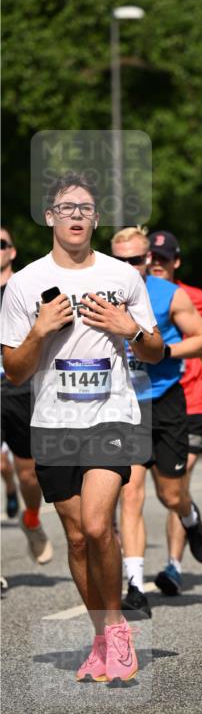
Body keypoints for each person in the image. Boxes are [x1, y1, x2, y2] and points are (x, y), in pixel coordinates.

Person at [0, 172, 164, 681]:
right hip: (52, 421)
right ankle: (99, 635)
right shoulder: (25, 284)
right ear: (49, 216)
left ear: (96, 219)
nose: (76, 216)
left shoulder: (122, 276)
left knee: (97, 525)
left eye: (85, 209)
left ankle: (116, 629)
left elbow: (155, 350)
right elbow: (14, 371)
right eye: (66, 208)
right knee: (75, 539)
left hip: (111, 414)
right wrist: (40, 330)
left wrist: (129, 329)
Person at [110, 227, 202, 617]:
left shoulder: (169, 294)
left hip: (166, 400)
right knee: (130, 492)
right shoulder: (96, 293)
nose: (128, 267)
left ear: (148, 260)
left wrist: (164, 351)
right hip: (124, 404)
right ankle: (136, 586)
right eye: (119, 260)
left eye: (135, 260)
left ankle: (191, 518)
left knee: (170, 495)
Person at [145, 230, 202, 594]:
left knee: (177, 486)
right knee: (157, 492)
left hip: (188, 398)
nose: (156, 263)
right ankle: (132, 573)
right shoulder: (131, 293)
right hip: (147, 401)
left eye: (164, 258)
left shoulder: (194, 297)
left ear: (176, 262)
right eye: (151, 257)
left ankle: (173, 566)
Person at [0, 226, 54, 565]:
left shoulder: (27, 288)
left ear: (12, 251)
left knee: (29, 475)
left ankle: (32, 518)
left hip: (22, 387)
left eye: (1, 243)